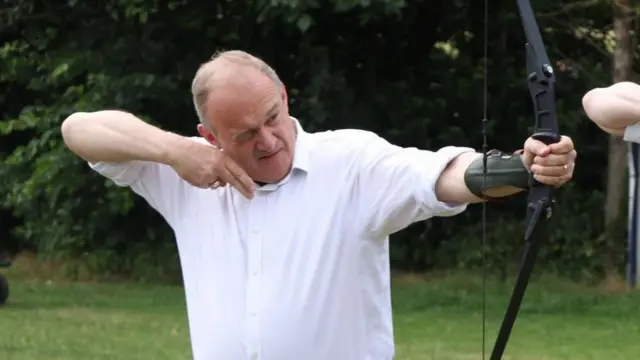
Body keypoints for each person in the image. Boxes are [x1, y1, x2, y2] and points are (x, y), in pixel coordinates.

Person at [60, 50, 577, 360]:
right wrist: (174, 152)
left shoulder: (350, 161)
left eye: (272, 117)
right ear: (209, 135)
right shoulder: (186, 172)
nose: (267, 140)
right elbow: (78, 129)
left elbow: (440, 177)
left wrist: (521, 169)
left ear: (284, 96)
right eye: (243, 135)